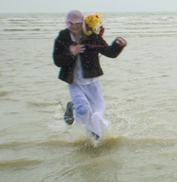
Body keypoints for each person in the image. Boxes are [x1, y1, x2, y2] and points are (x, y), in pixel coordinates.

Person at [52, 10, 127, 140]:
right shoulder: (63, 37)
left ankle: (94, 133)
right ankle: (73, 107)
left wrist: (118, 44)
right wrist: (71, 52)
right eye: (71, 23)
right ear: (67, 23)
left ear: (83, 23)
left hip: (92, 81)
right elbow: (57, 60)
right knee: (82, 110)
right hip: (74, 82)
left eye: (78, 23)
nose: (74, 26)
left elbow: (109, 52)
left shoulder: (92, 36)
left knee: (97, 111)